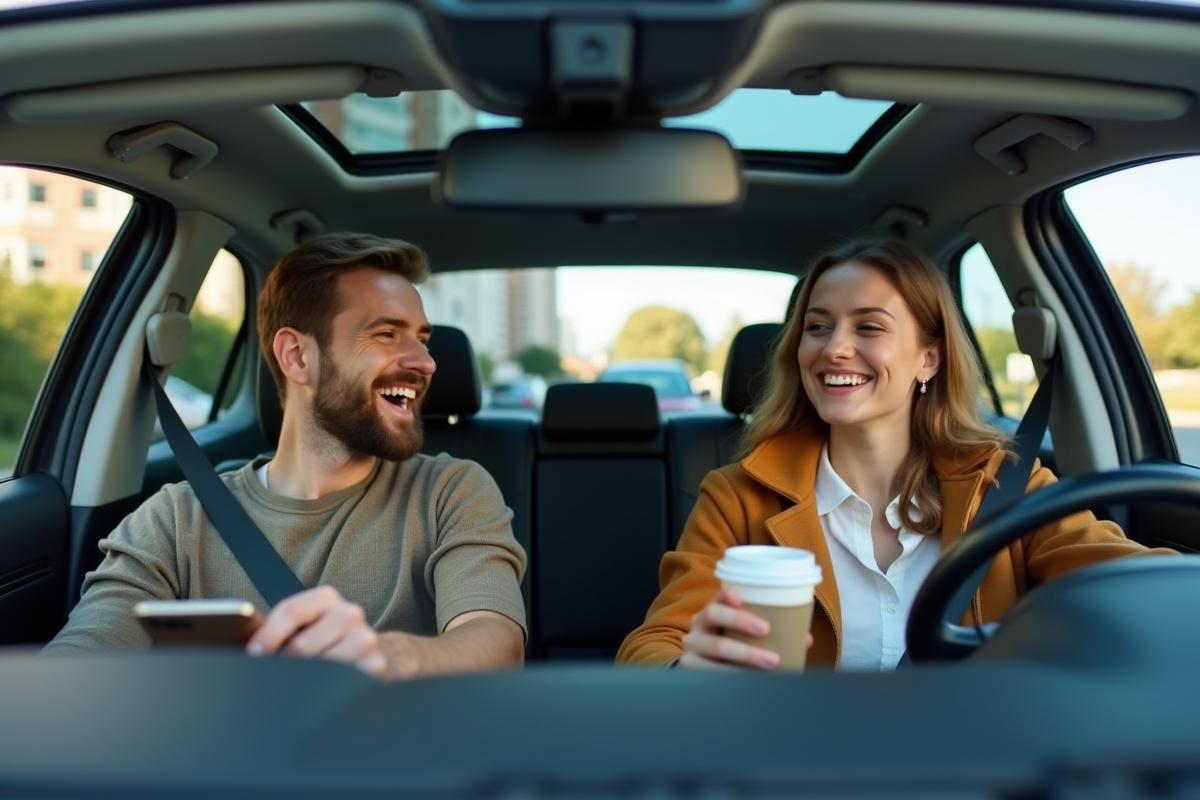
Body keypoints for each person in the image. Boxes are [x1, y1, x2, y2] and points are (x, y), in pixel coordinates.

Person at [617, 237, 1172, 671]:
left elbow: (1128, 578)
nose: (834, 346)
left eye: (869, 327)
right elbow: (654, 643)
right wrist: (686, 670)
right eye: (818, 326)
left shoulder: (1007, 485)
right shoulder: (737, 496)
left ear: (928, 360)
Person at [45, 232, 527, 680]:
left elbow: (496, 641)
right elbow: (74, 669)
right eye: (386, 334)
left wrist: (389, 658)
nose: (426, 361)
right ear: (296, 356)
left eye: (422, 338)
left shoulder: (451, 491)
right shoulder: (175, 519)